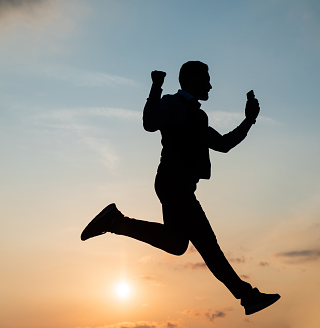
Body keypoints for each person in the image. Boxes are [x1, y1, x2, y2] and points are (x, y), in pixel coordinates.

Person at [81, 61, 280, 315]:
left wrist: (249, 120)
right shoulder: (174, 104)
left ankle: (115, 222)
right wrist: (155, 87)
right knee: (209, 246)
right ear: (193, 80)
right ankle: (247, 296)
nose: (210, 84)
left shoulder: (198, 114)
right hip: (174, 185)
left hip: (179, 186)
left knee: (177, 244)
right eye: (206, 79)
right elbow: (150, 122)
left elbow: (223, 144)